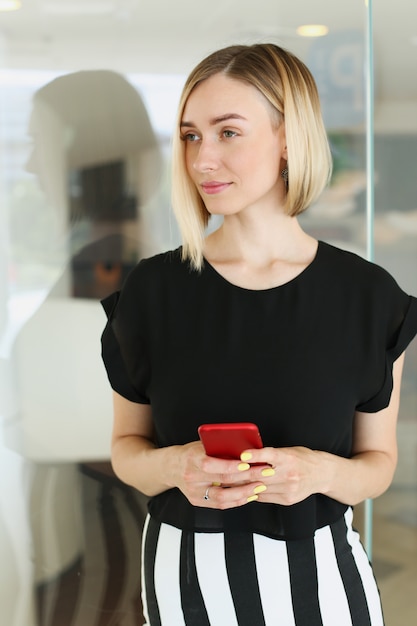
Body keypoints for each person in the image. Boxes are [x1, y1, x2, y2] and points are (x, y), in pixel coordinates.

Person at [101, 43, 417, 626]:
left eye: (228, 133)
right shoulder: (154, 291)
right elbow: (127, 451)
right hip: (184, 580)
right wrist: (177, 468)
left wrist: (316, 474)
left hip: (323, 581)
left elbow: (378, 464)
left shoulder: (368, 298)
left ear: (289, 140)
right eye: (191, 136)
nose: (202, 160)